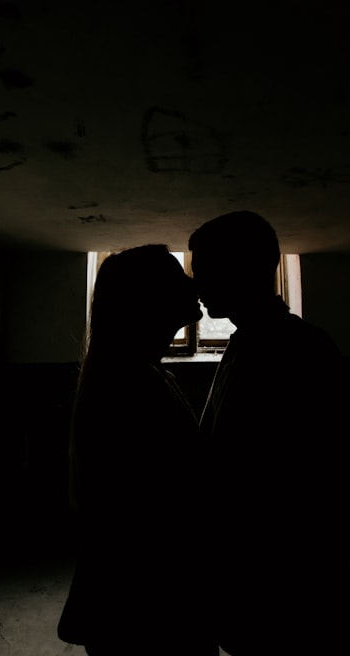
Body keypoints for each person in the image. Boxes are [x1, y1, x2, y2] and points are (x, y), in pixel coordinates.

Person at [189, 211, 350, 656]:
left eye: (205, 270)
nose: (197, 284)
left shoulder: (298, 350)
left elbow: (310, 487)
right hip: (265, 588)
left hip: (292, 594)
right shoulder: (248, 342)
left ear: (241, 269)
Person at [57, 244, 219, 656]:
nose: (193, 282)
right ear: (148, 298)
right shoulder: (129, 384)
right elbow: (158, 506)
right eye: (176, 276)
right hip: (147, 608)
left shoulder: (136, 372)